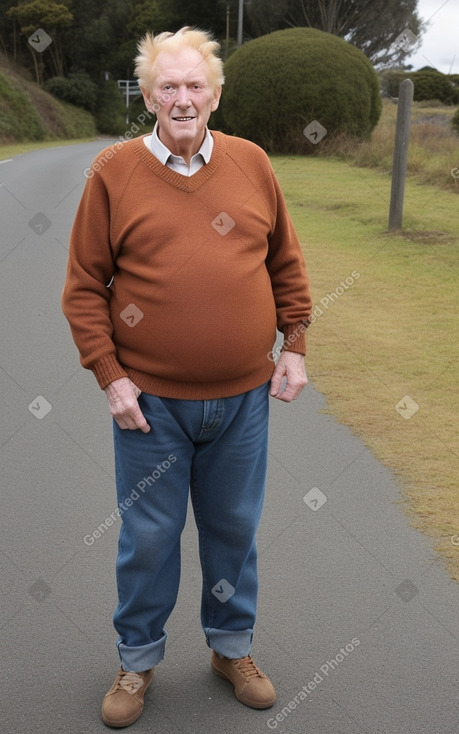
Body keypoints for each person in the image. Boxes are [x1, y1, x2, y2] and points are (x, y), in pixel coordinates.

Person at [62, 26, 312, 729]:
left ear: (215, 94)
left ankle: (230, 649)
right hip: (151, 407)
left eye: (194, 85)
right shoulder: (113, 171)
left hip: (243, 402)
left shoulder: (252, 163)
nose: (182, 98)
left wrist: (292, 344)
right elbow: (84, 286)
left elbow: (285, 264)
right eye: (167, 86)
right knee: (148, 536)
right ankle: (137, 659)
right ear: (147, 97)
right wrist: (110, 375)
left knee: (233, 530)